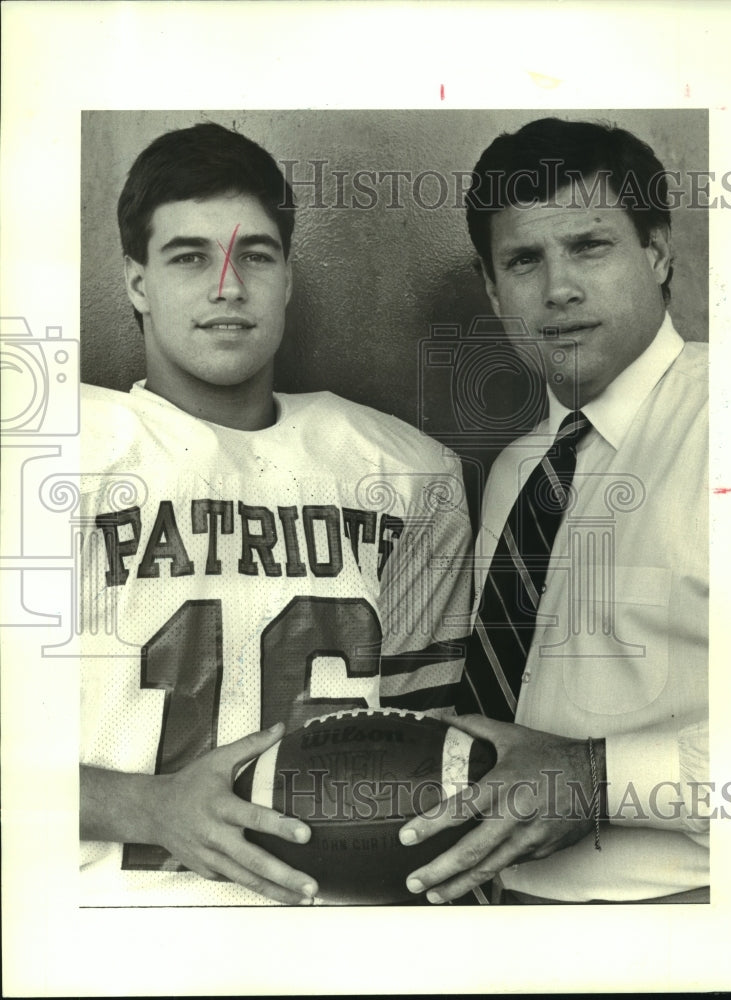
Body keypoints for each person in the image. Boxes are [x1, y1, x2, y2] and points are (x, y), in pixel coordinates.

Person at [78, 122, 472, 907]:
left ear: (287, 277)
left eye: (254, 254)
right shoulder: (52, 455)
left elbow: (426, 746)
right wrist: (145, 805)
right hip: (108, 929)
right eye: (189, 256)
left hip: (334, 922)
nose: (228, 285)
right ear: (135, 283)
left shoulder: (405, 471)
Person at [399, 118, 710, 904]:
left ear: (659, 251)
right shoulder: (517, 471)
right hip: (505, 918)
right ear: (491, 286)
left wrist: (596, 778)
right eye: (524, 259)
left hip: (698, 924)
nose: (558, 288)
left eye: (590, 246)